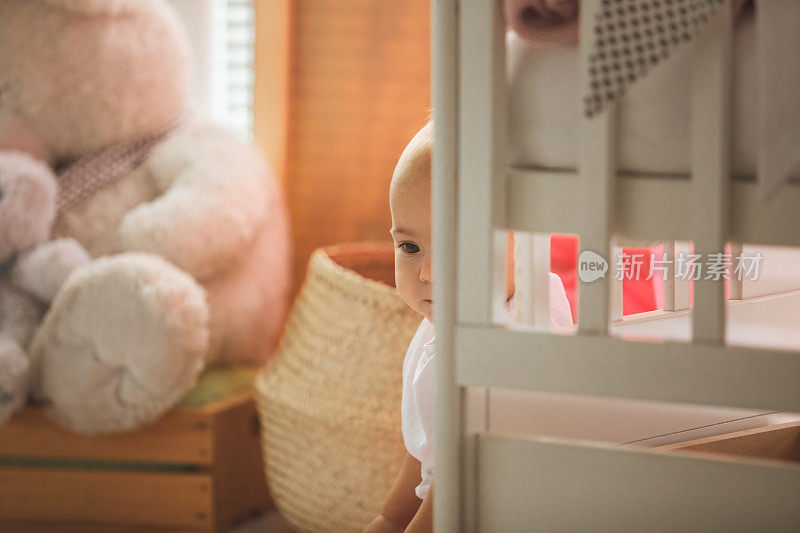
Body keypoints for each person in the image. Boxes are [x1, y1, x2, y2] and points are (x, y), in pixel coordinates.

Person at [363, 121, 572, 532]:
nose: (427, 273)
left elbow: (456, 485)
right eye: (409, 247)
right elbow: (430, 449)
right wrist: (390, 518)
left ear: (526, 238)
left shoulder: (516, 343)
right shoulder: (447, 318)